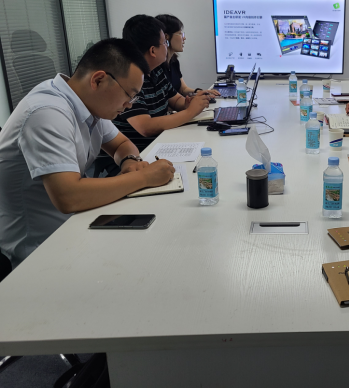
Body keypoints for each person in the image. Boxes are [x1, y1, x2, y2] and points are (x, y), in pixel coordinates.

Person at [0, 38, 176, 268]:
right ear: (98, 80)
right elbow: (68, 196)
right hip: (38, 252)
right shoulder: (46, 113)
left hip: (77, 225)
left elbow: (122, 144)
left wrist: (130, 161)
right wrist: (144, 177)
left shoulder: (87, 103)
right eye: (129, 95)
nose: (130, 105)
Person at [113, 15, 211, 153]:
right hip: (140, 153)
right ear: (153, 50)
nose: (167, 46)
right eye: (165, 42)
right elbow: (145, 127)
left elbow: (175, 99)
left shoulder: (156, 70)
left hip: (161, 143)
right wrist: (190, 112)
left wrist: (188, 103)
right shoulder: (130, 79)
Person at [155, 14, 219, 98]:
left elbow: (183, 89)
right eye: (180, 33)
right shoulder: (156, 66)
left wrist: (200, 92)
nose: (184, 38)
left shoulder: (174, 61)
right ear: (166, 37)